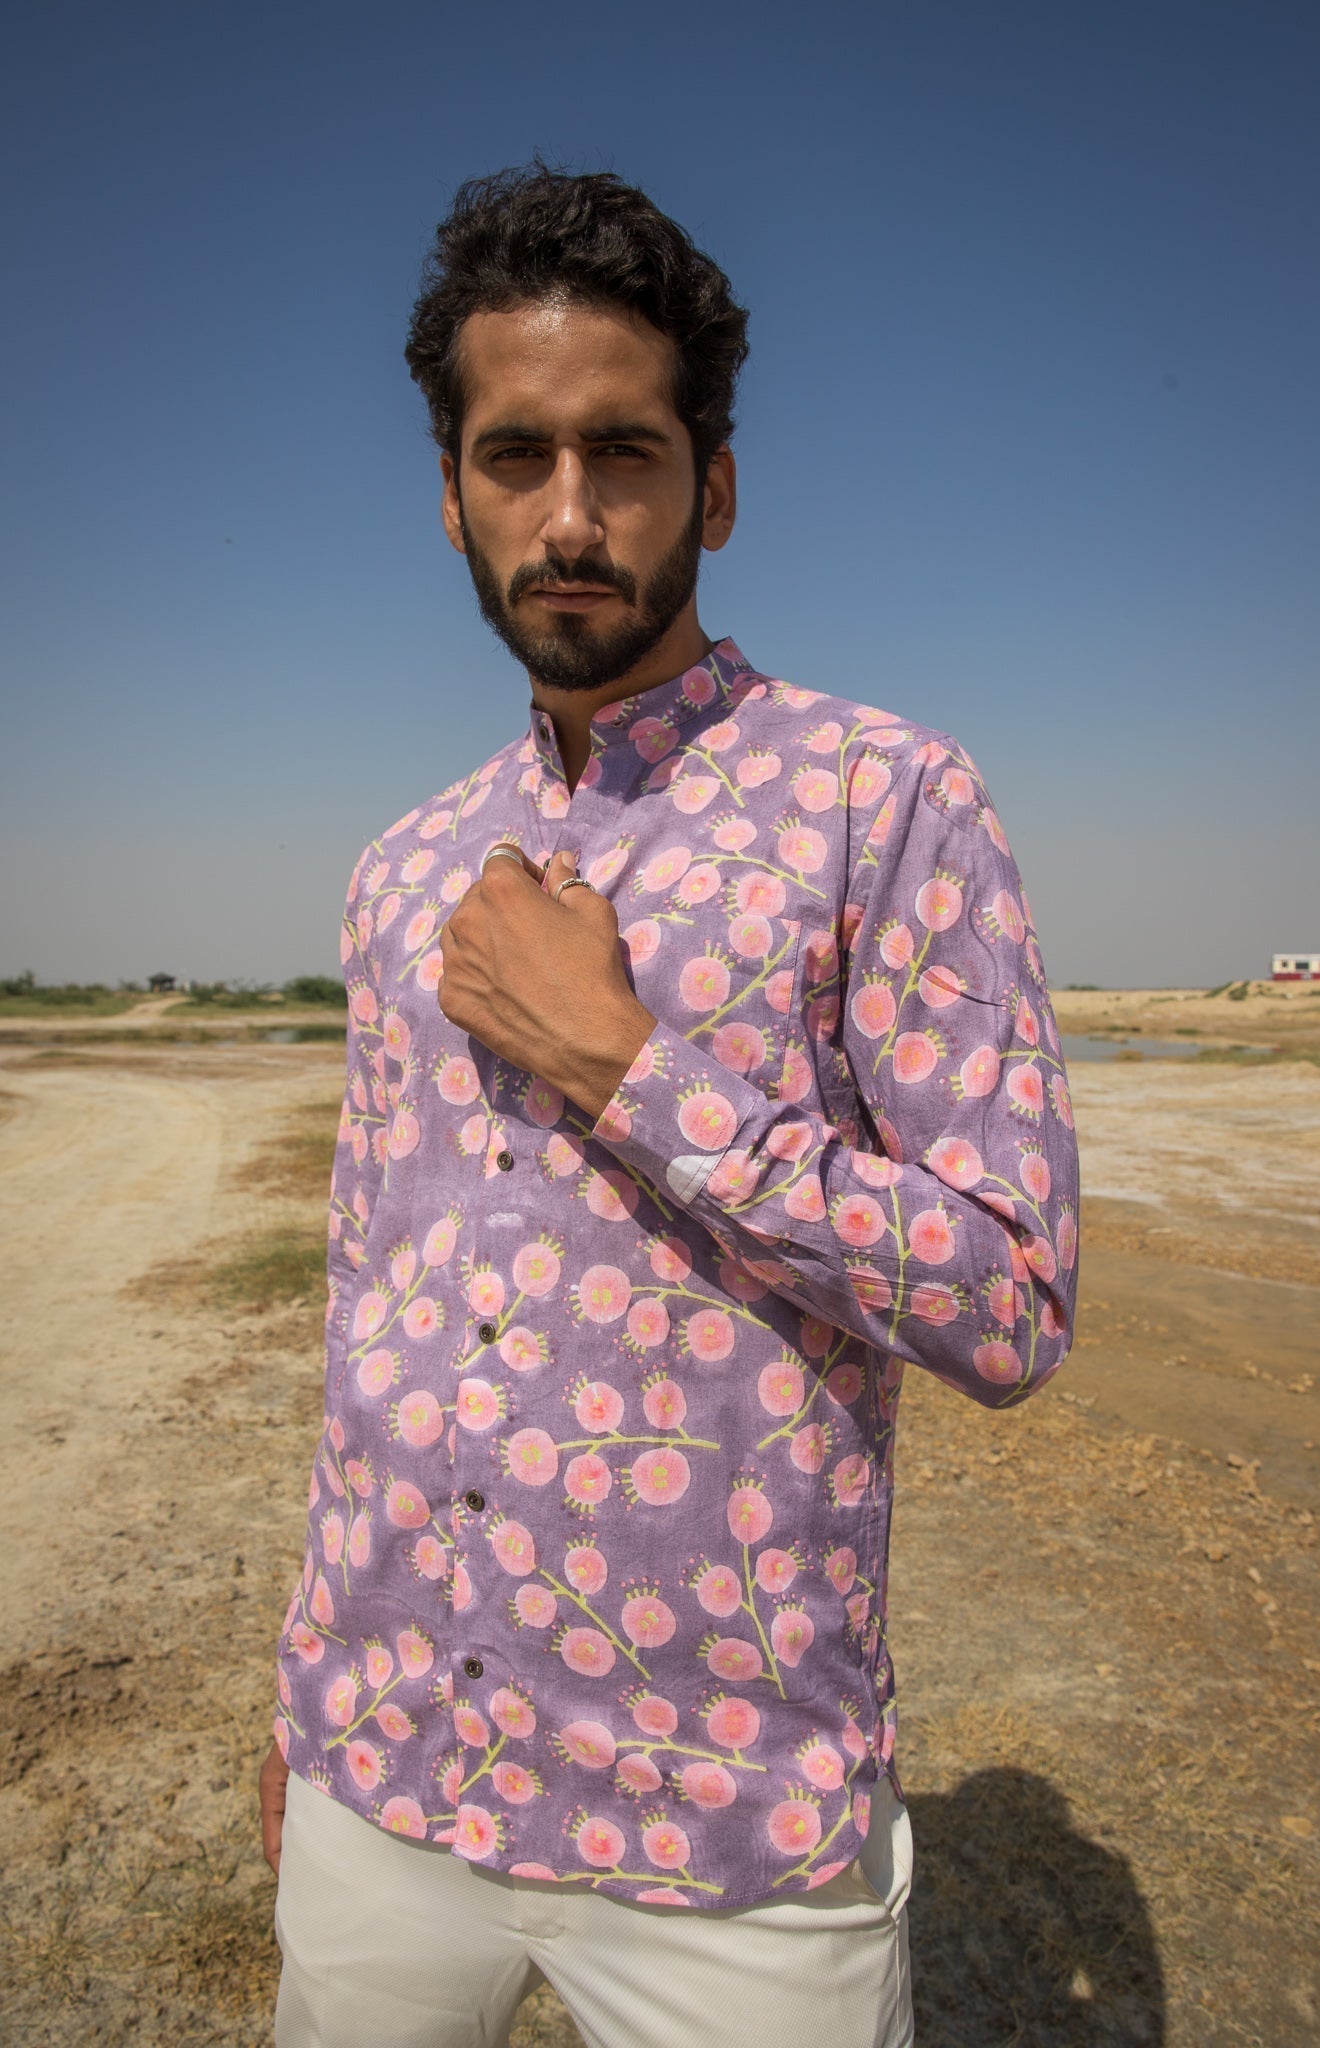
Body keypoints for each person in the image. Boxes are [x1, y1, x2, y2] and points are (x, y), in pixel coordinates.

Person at [260, 163, 1080, 2048]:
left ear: (712, 486)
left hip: (726, 1835)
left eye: (622, 452)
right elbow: (371, 1306)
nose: (568, 514)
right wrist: (312, 1692)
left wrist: (629, 1069)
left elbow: (1011, 1301)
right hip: (385, 1774)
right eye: (514, 455)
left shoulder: (882, 800)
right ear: (450, 493)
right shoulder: (405, 866)